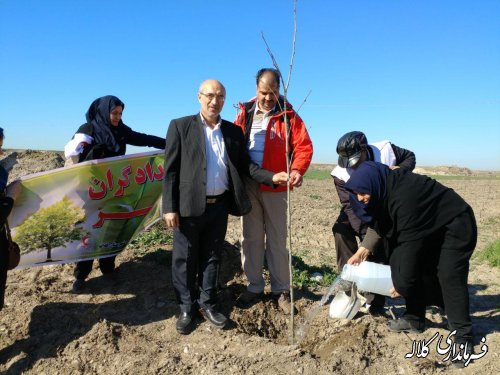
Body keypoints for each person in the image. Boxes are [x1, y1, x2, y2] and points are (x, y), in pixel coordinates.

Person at [163, 79, 288, 334]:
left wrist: (272, 177)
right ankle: (187, 307)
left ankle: (207, 303)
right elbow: (170, 172)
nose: (215, 101)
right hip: (188, 207)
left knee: (212, 257)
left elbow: (246, 166)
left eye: (220, 97)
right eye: (210, 95)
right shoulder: (180, 126)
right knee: (185, 259)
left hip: (218, 206)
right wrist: (169, 207)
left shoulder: (232, 132)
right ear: (199, 97)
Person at [345, 161, 477, 361]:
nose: (360, 198)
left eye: (364, 192)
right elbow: (382, 221)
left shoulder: (404, 196)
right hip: (426, 226)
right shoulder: (383, 187)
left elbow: (409, 248)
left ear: (374, 183)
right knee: (411, 267)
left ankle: (463, 336)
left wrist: (403, 284)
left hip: (455, 224)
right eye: (356, 194)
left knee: (448, 275)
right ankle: (414, 318)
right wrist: (364, 249)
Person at [65, 95, 165, 293]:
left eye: (120, 113)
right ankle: (81, 276)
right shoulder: (88, 129)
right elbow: (72, 154)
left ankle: (107, 268)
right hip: (90, 192)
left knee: (112, 228)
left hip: (114, 190)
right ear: (104, 111)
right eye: (114, 113)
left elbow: (143, 139)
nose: (118, 117)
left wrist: (169, 143)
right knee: (89, 232)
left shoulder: (121, 131)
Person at [233, 68, 313, 313]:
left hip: (277, 187)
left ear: (280, 90)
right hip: (249, 185)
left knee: (277, 239)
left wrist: (297, 170)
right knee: (251, 238)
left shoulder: (289, 116)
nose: (268, 98)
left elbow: (304, 147)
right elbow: (235, 144)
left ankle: (281, 289)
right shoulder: (245, 113)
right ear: (256, 89)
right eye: (263, 92)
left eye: (273, 92)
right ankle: (254, 286)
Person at [331, 131, 415, 315]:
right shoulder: (340, 174)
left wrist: (400, 170)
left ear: (364, 150)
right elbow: (349, 206)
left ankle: (375, 301)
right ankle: (348, 285)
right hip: (356, 207)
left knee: (378, 243)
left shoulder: (386, 150)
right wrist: (365, 238)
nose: (353, 167)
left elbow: (410, 157)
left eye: (355, 160)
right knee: (340, 230)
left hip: (384, 205)